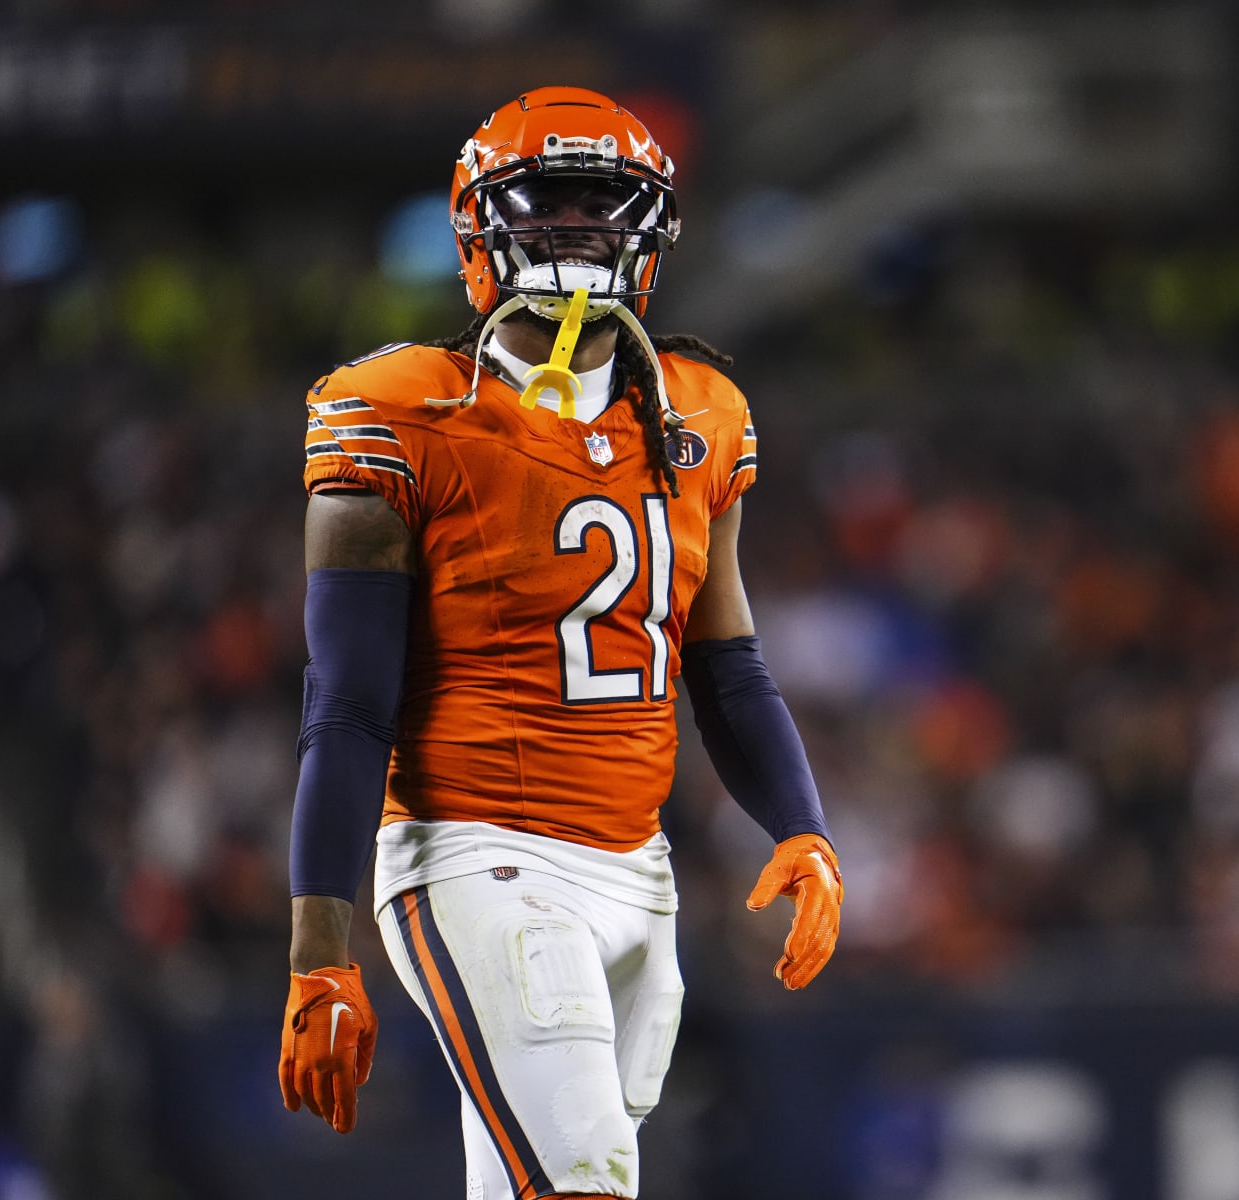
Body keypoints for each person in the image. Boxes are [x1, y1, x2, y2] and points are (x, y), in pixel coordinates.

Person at [276, 87, 844, 1200]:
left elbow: (724, 661)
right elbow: (346, 703)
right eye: (548, 206)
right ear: (479, 225)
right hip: (475, 854)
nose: (579, 231)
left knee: (533, 1178)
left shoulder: (701, 412)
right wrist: (317, 953)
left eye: (604, 207)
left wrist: (802, 826)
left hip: (640, 875)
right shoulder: (400, 411)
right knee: (587, 1175)